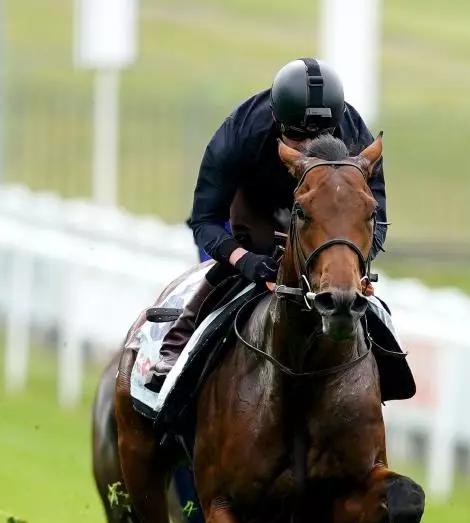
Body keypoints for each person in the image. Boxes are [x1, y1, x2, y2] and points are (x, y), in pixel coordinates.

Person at [144, 57, 388, 392]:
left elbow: (378, 220)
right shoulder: (241, 133)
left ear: (337, 123)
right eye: (297, 138)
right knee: (225, 277)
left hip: (326, 226)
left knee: (359, 295)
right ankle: (178, 345)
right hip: (254, 216)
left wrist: (351, 264)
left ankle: (390, 366)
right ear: (276, 119)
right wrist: (242, 259)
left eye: (320, 135)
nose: (307, 150)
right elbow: (204, 221)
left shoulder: (357, 138)